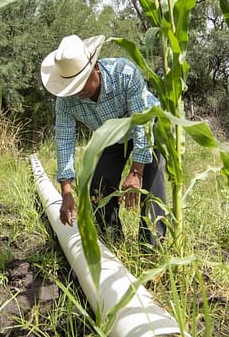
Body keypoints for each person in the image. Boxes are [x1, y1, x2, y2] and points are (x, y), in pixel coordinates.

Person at [40, 34, 167, 248]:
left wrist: (136, 172)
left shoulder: (124, 74)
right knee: (99, 187)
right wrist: (67, 192)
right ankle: (112, 244)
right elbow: (64, 140)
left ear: (95, 67)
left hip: (147, 128)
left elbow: (142, 124)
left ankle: (152, 250)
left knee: (152, 183)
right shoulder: (65, 101)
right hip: (111, 136)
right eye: (72, 86)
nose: (78, 91)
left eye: (82, 82)